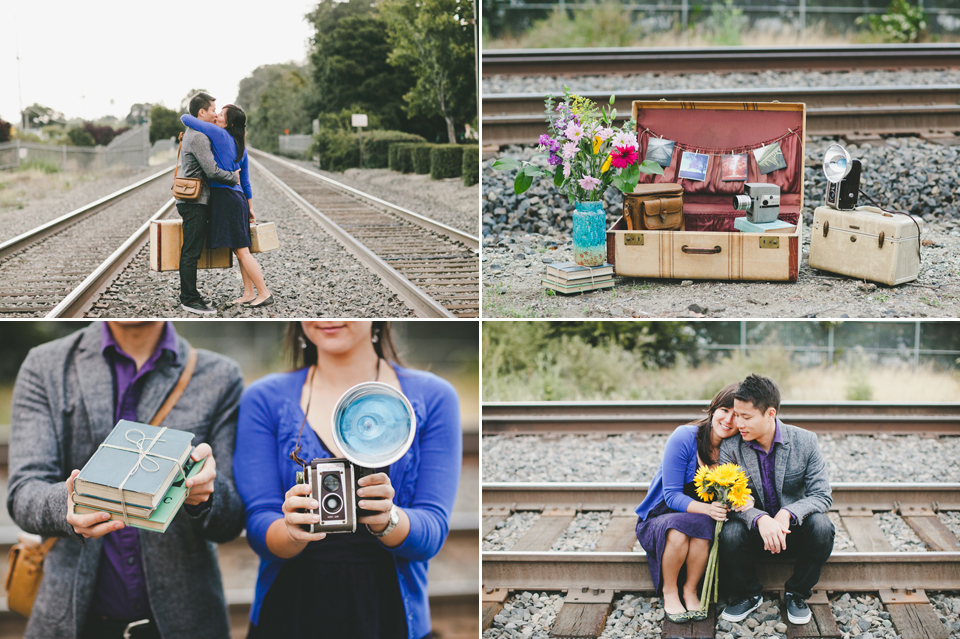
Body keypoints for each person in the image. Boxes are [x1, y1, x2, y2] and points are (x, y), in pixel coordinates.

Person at [6, 321, 246, 639]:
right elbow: (23, 492)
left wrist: (206, 497)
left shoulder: (220, 376)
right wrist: (64, 505)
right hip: (72, 622)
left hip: (187, 622)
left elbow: (230, 520)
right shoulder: (45, 365)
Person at [233, 321, 462, 639]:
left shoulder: (434, 396)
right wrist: (289, 531)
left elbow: (433, 531)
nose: (327, 316)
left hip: (389, 613)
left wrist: (389, 519)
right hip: (288, 609)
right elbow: (258, 523)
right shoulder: (263, 398)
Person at [717, 374, 834, 626]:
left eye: (746, 417)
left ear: (770, 414)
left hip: (792, 532)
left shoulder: (805, 441)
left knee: (823, 527)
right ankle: (749, 594)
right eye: (737, 414)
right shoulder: (731, 446)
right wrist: (759, 518)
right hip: (753, 534)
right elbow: (727, 500)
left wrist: (787, 514)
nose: (738, 422)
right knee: (729, 532)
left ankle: (797, 593)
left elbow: (822, 495)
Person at [634, 384, 754, 624]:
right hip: (660, 517)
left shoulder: (735, 446)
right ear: (712, 409)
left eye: (737, 415)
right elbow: (671, 496)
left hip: (700, 521)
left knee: (701, 527)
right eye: (724, 410)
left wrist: (744, 499)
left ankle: (690, 589)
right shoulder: (685, 436)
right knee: (682, 530)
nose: (729, 420)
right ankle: (670, 591)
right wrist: (709, 509)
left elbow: (734, 489)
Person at [181, 105, 273, 308]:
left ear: (229, 123)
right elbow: (246, 182)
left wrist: (203, 112)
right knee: (240, 249)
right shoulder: (241, 146)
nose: (217, 116)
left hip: (225, 197)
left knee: (242, 251)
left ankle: (264, 293)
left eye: (221, 114)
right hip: (238, 199)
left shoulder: (220, 134)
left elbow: (186, 118)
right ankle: (249, 293)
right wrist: (250, 207)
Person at [175, 92, 239, 315]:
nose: (215, 114)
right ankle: (188, 298)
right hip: (194, 201)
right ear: (201, 112)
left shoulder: (196, 133)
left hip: (195, 200)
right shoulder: (199, 137)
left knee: (192, 250)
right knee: (191, 251)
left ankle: (191, 294)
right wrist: (234, 177)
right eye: (213, 110)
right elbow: (211, 170)